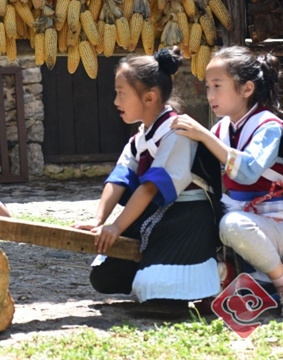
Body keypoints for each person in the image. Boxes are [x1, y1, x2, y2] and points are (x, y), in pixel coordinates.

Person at [171, 46, 283, 321]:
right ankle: (226, 279)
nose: (210, 95)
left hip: (274, 228)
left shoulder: (268, 126)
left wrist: (205, 137)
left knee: (232, 225)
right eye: (207, 87)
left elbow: (248, 172)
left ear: (246, 88)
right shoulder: (222, 129)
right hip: (238, 223)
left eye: (218, 86)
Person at [71, 48, 220, 303]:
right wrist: (99, 220)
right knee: (104, 276)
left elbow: (151, 187)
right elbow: (119, 178)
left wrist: (117, 226)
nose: (116, 101)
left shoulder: (177, 132)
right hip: (156, 214)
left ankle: (219, 272)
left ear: (149, 98)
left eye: (121, 93)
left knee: (155, 291)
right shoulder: (141, 137)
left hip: (189, 216)